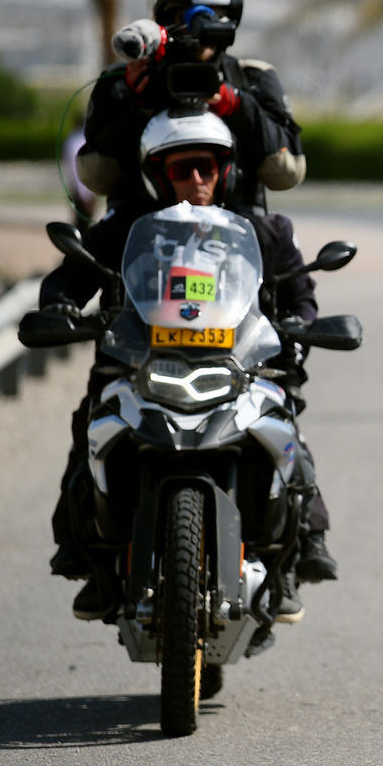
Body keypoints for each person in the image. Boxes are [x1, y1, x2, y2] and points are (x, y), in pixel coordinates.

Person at [42, 107, 336, 625]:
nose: (197, 179)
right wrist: (60, 304)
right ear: (158, 175)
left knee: (287, 428)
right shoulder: (124, 229)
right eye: (183, 168)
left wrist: (297, 330)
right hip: (141, 365)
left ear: (225, 171)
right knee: (89, 425)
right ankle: (86, 555)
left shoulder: (263, 230)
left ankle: (301, 548)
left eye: (207, 166)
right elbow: (70, 274)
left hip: (238, 364)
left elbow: (300, 293)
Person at [77, 0, 304, 217]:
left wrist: (237, 104)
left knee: (279, 234)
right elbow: (96, 178)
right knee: (96, 239)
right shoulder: (123, 81)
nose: (201, 28)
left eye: (215, 14)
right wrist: (137, 106)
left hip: (237, 230)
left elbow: (288, 173)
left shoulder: (253, 78)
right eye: (186, 16)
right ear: (164, 18)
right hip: (139, 230)